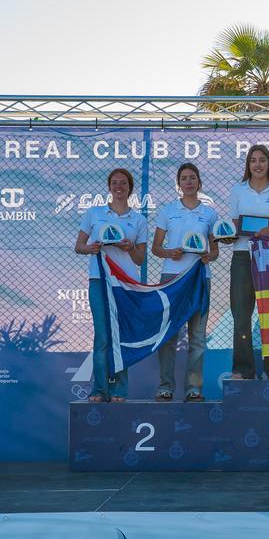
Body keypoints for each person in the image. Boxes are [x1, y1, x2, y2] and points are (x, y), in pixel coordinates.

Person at [75, 168, 149, 402]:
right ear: (109, 187)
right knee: (103, 338)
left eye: (123, 183)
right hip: (99, 280)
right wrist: (92, 247)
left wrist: (130, 248)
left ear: (130, 188)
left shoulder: (139, 220)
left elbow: (140, 259)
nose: (119, 187)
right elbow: (79, 246)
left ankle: (118, 390)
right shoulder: (94, 213)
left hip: (125, 285)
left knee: (121, 337)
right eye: (115, 183)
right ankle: (99, 389)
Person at [152, 163, 218, 402]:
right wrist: (171, 253)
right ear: (178, 184)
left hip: (200, 278)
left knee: (197, 338)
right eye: (184, 178)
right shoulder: (167, 211)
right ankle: (165, 386)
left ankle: (194, 388)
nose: (188, 182)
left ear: (199, 183)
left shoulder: (210, 213)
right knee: (169, 336)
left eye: (192, 178)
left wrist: (207, 256)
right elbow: (156, 248)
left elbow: (215, 252)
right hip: (172, 278)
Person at [227, 145, 269, 380]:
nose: (257, 165)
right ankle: (243, 370)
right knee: (242, 316)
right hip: (243, 256)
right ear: (248, 165)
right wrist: (226, 233)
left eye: (262, 160)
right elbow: (235, 226)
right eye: (253, 160)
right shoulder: (238, 191)